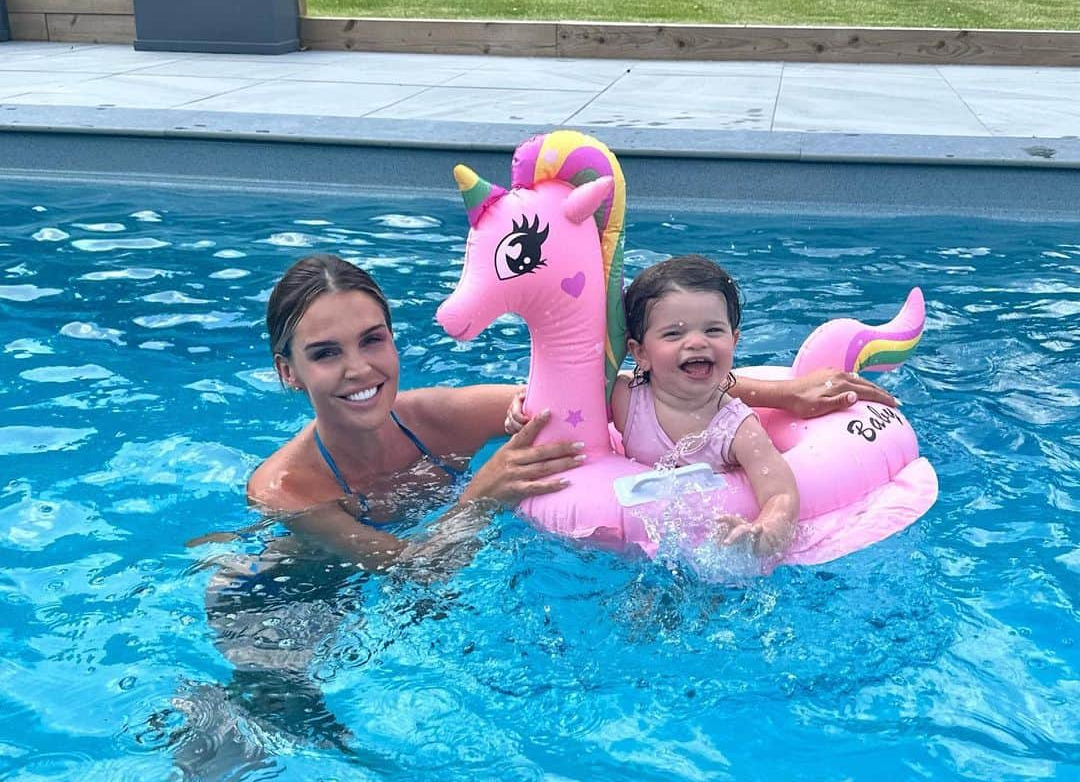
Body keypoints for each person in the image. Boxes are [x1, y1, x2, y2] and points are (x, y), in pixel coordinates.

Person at [509, 254, 901, 561]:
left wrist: (762, 534)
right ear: (639, 352)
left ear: (734, 340)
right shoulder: (625, 398)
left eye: (713, 330)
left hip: (705, 552)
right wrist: (522, 406)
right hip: (630, 541)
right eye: (674, 333)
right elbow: (564, 408)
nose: (696, 342)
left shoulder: (736, 428)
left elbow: (782, 493)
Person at [246, 253, 584, 573]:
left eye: (372, 341)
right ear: (289, 372)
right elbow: (413, 569)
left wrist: (526, 402)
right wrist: (482, 498)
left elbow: (578, 400)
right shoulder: (285, 488)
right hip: (285, 592)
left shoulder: (438, 417)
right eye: (326, 353)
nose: (359, 369)